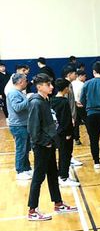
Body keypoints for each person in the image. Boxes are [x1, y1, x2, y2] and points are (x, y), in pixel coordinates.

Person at [26, 74, 77, 221]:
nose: (52, 87)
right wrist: (45, 142)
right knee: (38, 177)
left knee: (53, 174)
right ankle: (32, 210)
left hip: (49, 144)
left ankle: (58, 203)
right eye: (48, 85)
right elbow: (33, 129)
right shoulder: (36, 103)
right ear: (39, 86)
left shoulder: (46, 100)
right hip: (42, 146)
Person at [50, 78, 79, 187]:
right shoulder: (64, 102)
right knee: (65, 155)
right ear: (66, 88)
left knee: (61, 154)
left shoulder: (52, 100)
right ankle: (63, 177)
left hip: (55, 131)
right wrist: (68, 133)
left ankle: (60, 175)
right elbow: (66, 119)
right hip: (64, 133)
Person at [6, 73, 33, 180]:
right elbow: (17, 107)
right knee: (21, 148)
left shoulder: (18, 92)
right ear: (20, 82)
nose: (27, 82)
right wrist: (28, 99)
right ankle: (20, 170)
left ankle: (26, 168)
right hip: (18, 125)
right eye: (26, 80)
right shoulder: (13, 93)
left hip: (23, 124)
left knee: (26, 148)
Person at [62, 66, 83, 167]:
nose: (76, 75)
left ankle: (69, 157)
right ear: (69, 74)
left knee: (69, 140)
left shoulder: (69, 84)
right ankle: (68, 159)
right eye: (75, 73)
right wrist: (70, 117)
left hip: (72, 114)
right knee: (68, 140)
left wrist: (75, 103)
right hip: (69, 116)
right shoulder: (66, 85)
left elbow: (69, 100)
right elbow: (65, 102)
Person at [72, 70, 87, 145]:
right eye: (85, 76)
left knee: (76, 122)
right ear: (80, 76)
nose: (85, 78)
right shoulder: (82, 84)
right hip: (81, 105)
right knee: (87, 122)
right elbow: (83, 96)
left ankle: (76, 139)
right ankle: (92, 136)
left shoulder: (72, 83)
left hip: (73, 105)